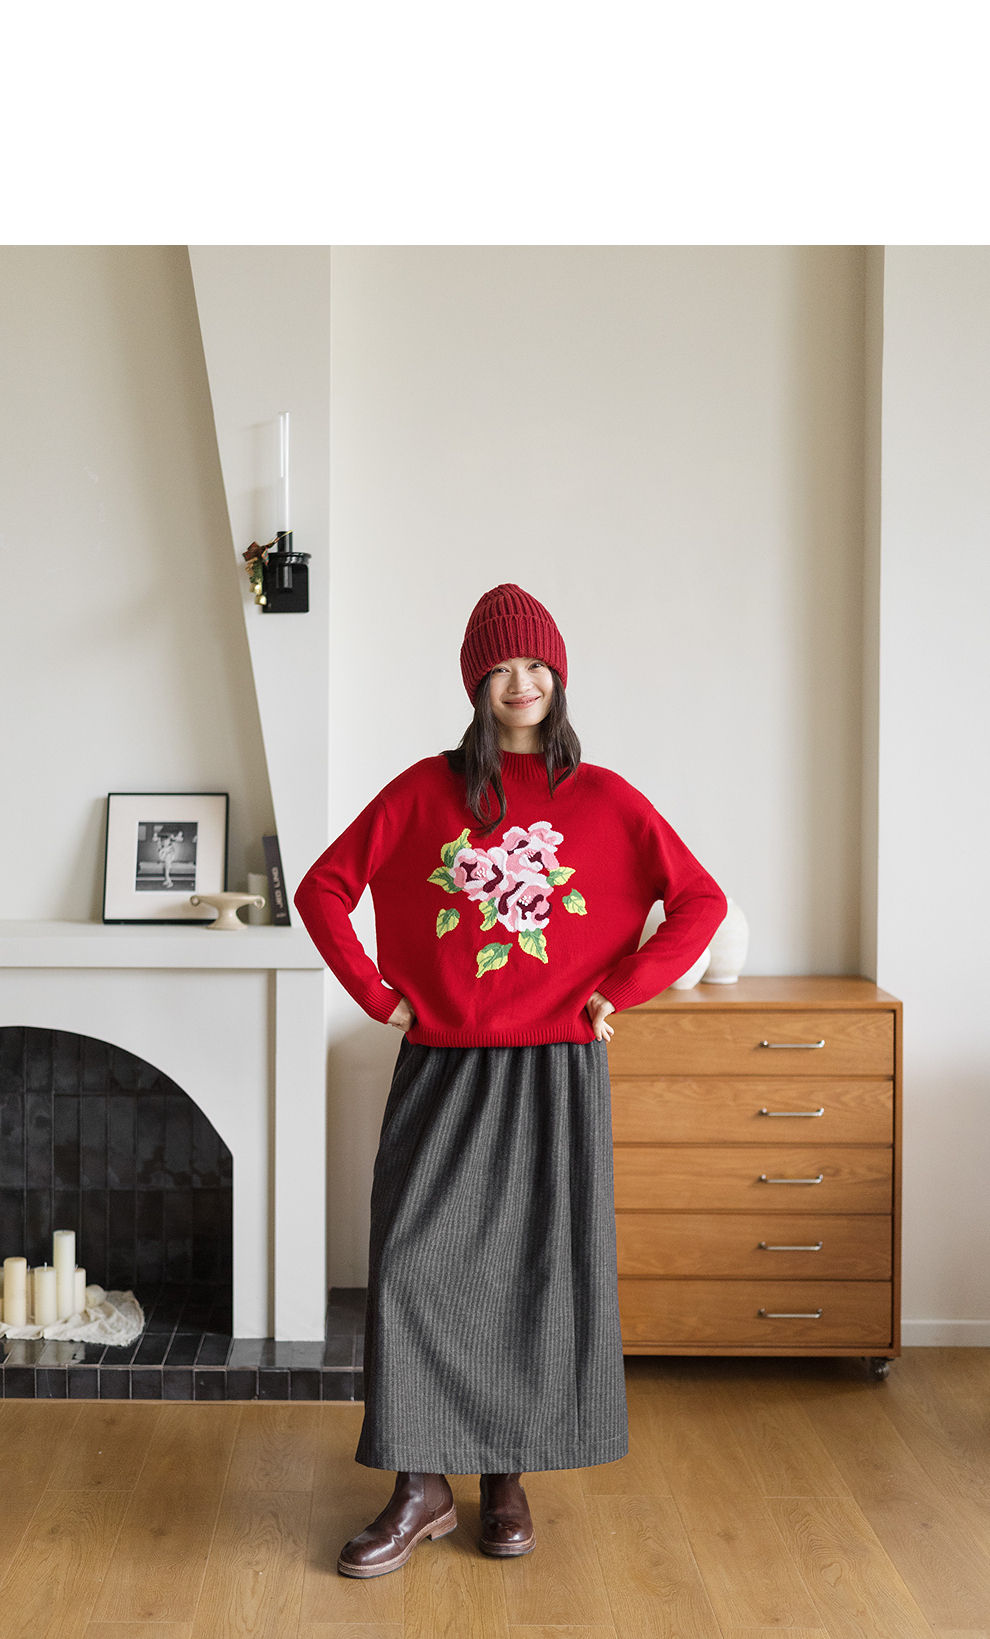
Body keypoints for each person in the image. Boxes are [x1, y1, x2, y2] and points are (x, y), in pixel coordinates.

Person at [293, 583, 727, 1579]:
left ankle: (505, 1478)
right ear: (475, 683)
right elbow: (323, 887)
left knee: (532, 1274)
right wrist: (378, 994)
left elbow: (699, 902)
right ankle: (419, 1484)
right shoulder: (424, 790)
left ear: (558, 675)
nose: (520, 681)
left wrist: (621, 990)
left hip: (554, 1069)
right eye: (499, 667)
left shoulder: (606, 797)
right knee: (412, 1267)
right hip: (444, 1064)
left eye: (534, 664)